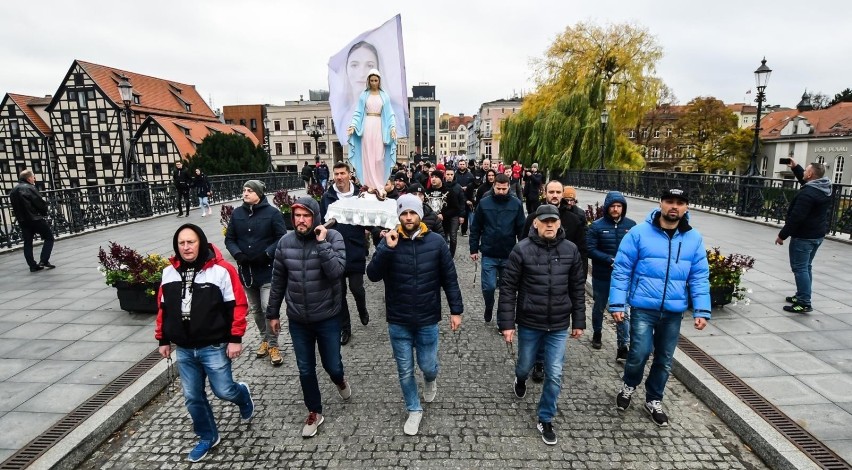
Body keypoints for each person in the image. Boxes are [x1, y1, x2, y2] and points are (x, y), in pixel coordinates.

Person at [611, 188, 711, 427]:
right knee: (639, 353)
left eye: (679, 202)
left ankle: (654, 398)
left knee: (665, 359)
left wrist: (701, 309)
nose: (674, 206)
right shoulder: (638, 233)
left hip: (673, 311)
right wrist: (617, 302)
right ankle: (629, 385)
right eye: (669, 201)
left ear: (686, 208)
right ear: (660, 203)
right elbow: (622, 269)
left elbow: (699, 276)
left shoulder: (693, 238)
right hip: (644, 307)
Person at [366, 194, 464, 436]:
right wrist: (386, 250)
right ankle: (414, 409)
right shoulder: (389, 240)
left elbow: (449, 278)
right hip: (398, 319)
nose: (408, 217)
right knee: (405, 370)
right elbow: (372, 275)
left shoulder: (437, 242)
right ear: (398, 215)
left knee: (428, 365)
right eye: (404, 213)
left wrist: (456, 310)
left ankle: (431, 380)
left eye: (412, 212)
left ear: (420, 214)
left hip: (427, 317)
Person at [155, 224, 253, 462]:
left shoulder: (221, 270)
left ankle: (242, 394)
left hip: (214, 346)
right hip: (185, 349)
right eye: (182, 243)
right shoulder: (169, 273)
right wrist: (163, 339)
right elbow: (163, 309)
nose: (186, 247)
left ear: (200, 242)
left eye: (191, 242)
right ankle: (207, 436)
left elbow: (238, 306)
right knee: (192, 396)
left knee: (224, 390)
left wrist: (235, 339)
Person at [497, 204, 586, 446]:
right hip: (530, 321)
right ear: (535, 223)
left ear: (559, 224)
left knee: (554, 373)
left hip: (558, 323)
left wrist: (579, 320)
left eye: (553, 221)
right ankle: (520, 379)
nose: (549, 225)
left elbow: (578, 289)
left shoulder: (571, 250)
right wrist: (507, 323)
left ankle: (545, 417)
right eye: (544, 220)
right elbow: (508, 289)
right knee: (525, 364)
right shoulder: (521, 250)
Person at [266, 197, 350, 438]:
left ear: (315, 216)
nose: (301, 220)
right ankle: (315, 411)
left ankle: (339, 379)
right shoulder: (285, 242)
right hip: (298, 319)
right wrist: (272, 313)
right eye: (297, 216)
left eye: (306, 215)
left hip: (328, 316)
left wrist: (322, 243)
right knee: (305, 369)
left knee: (332, 365)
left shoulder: (333, 237)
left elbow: (336, 273)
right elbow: (278, 280)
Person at [521, 180, 588, 381]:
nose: (556, 195)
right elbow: (524, 245)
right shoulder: (534, 217)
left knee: (555, 320)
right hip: (538, 278)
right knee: (540, 318)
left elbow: (581, 251)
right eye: (552, 191)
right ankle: (539, 361)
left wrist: (580, 278)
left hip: (563, 278)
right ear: (545, 193)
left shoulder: (574, 220)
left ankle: (547, 360)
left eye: (559, 192)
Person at [225, 180, 287, 366]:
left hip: (267, 270)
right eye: (244, 190)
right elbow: (230, 239)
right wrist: (238, 254)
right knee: (255, 309)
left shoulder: (273, 213)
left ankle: (274, 344)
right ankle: (265, 339)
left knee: (268, 306)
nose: (245, 193)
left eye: (249, 190)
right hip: (247, 272)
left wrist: (267, 253)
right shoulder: (237, 214)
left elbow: (281, 238)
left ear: (259, 193)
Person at [320, 162, 371, 346]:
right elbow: (322, 221)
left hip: (355, 247)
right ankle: (345, 328)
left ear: (349, 175)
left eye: (342, 173)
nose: (339, 177)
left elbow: (369, 217)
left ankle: (362, 308)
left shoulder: (361, 194)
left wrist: (377, 230)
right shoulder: (327, 197)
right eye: (336, 174)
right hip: (334, 250)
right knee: (339, 294)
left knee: (357, 288)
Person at [775, 159, 832, 313]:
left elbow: (796, 218)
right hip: (817, 235)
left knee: (800, 268)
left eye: (806, 170)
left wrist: (782, 235)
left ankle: (804, 302)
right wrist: (796, 168)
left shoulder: (807, 194)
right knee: (806, 267)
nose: (804, 172)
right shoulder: (823, 187)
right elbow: (806, 181)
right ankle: (801, 295)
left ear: (811, 174)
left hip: (804, 237)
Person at [586, 191, 636, 359]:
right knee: (599, 305)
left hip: (623, 277)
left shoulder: (631, 225)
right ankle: (597, 333)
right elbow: (590, 249)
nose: (615, 209)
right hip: (603, 274)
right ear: (607, 207)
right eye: (613, 206)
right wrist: (609, 259)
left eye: (619, 206)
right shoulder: (597, 226)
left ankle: (622, 345)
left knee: (623, 311)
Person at [469, 174, 525, 322]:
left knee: (507, 290)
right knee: (489, 287)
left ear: (508, 188)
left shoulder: (516, 204)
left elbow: (521, 229)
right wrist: (473, 249)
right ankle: (489, 305)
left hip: (509, 253)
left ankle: (503, 321)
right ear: (494, 186)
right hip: (489, 252)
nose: (501, 191)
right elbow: (476, 227)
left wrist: (523, 250)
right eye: (498, 188)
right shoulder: (484, 203)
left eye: (504, 189)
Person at [348, 68, 397, 191]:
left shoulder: (384, 96)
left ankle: (379, 183)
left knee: (379, 157)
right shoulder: (364, 95)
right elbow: (358, 112)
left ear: (379, 81)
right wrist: (353, 125)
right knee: (368, 154)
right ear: (368, 81)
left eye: (376, 80)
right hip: (367, 125)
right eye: (371, 80)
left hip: (380, 125)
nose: (374, 82)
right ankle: (370, 185)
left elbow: (390, 113)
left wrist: (392, 128)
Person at [9, 169, 55, 272]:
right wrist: (44, 213)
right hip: (35, 219)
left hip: (22, 221)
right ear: (29, 178)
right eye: (33, 177)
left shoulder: (13, 190)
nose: (34, 179)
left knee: (28, 243)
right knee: (49, 237)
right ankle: (44, 260)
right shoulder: (30, 188)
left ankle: (32, 266)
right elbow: (40, 203)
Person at [425, 170, 465, 257]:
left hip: (447, 220)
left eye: (436, 177)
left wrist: (444, 215)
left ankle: (450, 256)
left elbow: (455, 208)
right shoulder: (426, 192)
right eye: (432, 177)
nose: (433, 179)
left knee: (451, 238)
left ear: (441, 178)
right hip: (432, 222)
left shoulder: (449, 192)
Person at [454, 159, 476, 236]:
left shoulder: (470, 175)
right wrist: (459, 187)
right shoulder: (455, 174)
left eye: (463, 164)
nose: (462, 165)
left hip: (467, 196)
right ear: (458, 165)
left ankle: (464, 231)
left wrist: (467, 187)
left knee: (465, 214)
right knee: (456, 213)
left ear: (466, 165)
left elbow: (473, 184)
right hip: (457, 196)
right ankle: (455, 227)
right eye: (460, 164)